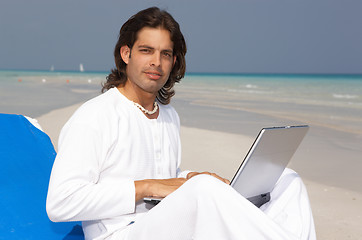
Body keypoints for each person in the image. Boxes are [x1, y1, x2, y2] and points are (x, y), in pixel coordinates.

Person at [46, 7, 316, 240]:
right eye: (146, 50)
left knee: (286, 180)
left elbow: (165, 171)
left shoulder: (167, 114)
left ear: (174, 60)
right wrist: (148, 186)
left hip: (167, 222)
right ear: (126, 54)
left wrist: (189, 177)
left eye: (165, 54)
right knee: (206, 192)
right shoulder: (95, 115)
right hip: (122, 232)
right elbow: (60, 203)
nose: (156, 62)